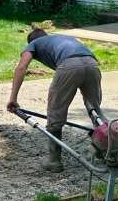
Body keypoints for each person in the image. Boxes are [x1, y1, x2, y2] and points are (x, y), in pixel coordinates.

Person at [6, 28, 103, 172]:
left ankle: (54, 161)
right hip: (91, 63)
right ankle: (111, 150)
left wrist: (13, 98)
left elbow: (21, 68)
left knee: (55, 114)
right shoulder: (60, 39)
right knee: (95, 111)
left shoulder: (33, 44)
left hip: (69, 65)